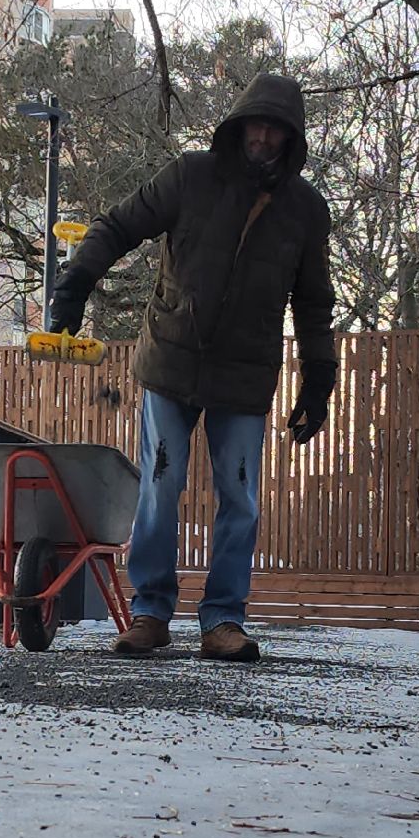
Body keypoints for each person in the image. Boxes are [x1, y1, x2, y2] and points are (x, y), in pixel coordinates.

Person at [48, 72, 336, 663]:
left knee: (241, 498)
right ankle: (150, 612)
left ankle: (224, 620)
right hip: (172, 361)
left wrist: (319, 378)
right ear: (239, 124)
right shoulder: (190, 176)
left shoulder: (305, 210)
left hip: (244, 372)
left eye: (276, 130)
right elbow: (118, 226)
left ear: (291, 138)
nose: (263, 137)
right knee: (160, 483)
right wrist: (77, 282)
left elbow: (312, 302)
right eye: (256, 124)